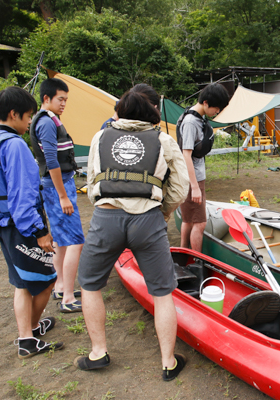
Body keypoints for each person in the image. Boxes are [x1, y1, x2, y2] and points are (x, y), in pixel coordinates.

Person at [75, 85, 189, 378]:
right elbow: (179, 188)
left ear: (120, 112)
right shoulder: (164, 139)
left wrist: (105, 206)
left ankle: (98, 352)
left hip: (106, 218)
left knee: (90, 285)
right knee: (162, 293)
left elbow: (91, 182)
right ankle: (168, 362)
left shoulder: (100, 136)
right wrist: (162, 212)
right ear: (151, 113)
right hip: (148, 219)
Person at [0, 86, 64, 359]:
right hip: (22, 225)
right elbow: (23, 191)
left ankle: (30, 330)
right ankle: (28, 336)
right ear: (13, 114)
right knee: (46, 279)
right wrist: (39, 230)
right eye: (27, 116)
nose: (30, 122)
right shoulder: (14, 145)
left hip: (1, 222)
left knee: (22, 282)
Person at [29, 78, 84, 313]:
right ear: (46, 98)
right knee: (76, 241)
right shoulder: (46, 124)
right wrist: (63, 196)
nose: (64, 104)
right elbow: (51, 160)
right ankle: (68, 298)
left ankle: (61, 286)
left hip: (59, 185)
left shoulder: (50, 120)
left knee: (62, 240)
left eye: (66, 100)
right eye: (60, 99)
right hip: (56, 187)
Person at [178, 83, 229, 251]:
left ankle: (184, 255)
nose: (217, 112)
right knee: (200, 223)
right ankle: (196, 261)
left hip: (193, 177)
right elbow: (186, 154)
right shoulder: (191, 122)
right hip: (193, 180)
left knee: (188, 220)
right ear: (206, 103)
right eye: (216, 108)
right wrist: (195, 187)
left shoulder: (196, 117)